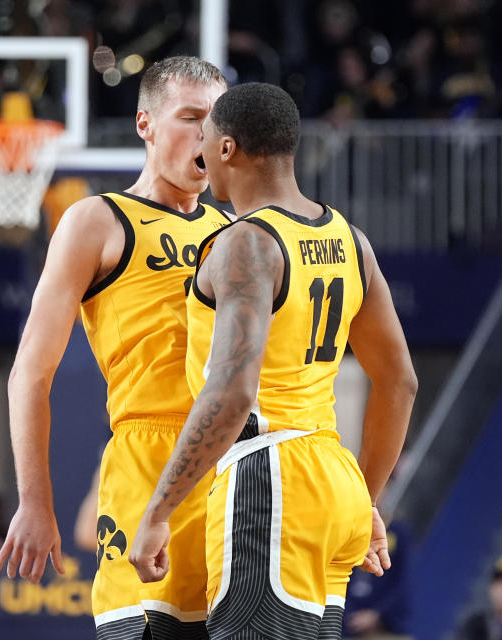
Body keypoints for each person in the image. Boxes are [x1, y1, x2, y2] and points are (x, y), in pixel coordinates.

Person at [129, 82, 418, 640]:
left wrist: (159, 510)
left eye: (206, 137)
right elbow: (399, 382)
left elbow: (232, 394)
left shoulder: (246, 243)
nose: (199, 150)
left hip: (268, 477)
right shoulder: (350, 239)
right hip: (335, 481)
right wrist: (366, 497)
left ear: (228, 149)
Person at [0, 56, 230, 639]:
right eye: (190, 118)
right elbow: (29, 374)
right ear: (145, 123)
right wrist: (34, 500)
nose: (206, 136)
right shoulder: (96, 220)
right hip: (146, 458)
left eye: (216, 122)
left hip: (231, 465)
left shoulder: (234, 231)